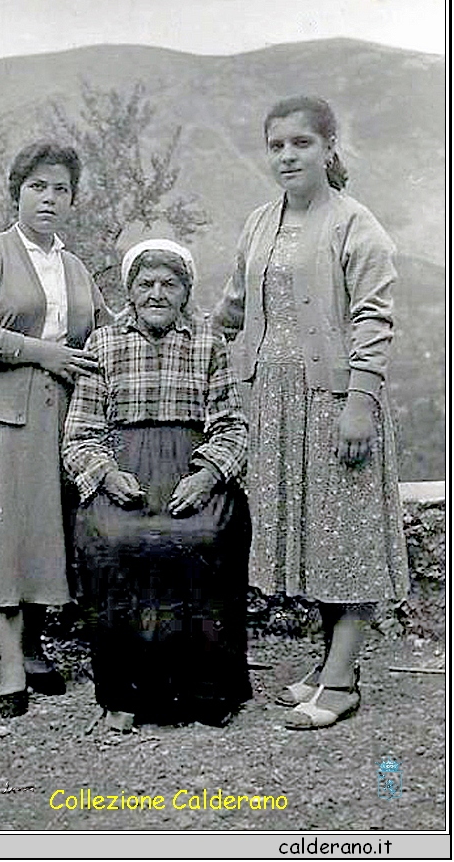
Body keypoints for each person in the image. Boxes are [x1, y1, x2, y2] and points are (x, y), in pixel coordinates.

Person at [212, 96, 409, 729]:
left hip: (335, 399)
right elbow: (234, 305)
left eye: (301, 143)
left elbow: (375, 321)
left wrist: (359, 403)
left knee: (348, 537)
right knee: (317, 540)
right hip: (273, 400)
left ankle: (343, 679)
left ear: (329, 148)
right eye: (276, 146)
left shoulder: (357, 225)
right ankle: (329, 665)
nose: (287, 156)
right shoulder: (259, 223)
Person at [0, 142, 110, 717]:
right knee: (7, 532)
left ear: (71, 200)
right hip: (3, 419)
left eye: (60, 188)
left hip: (65, 417)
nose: (49, 198)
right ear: (17, 192)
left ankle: (35, 646)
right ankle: (11, 663)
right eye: (38, 186)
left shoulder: (75, 267)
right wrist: (42, 353)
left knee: (49, 532)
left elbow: (108, 333)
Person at [62, 238, 252, 731]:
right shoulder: (103, 343)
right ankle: (124, 696)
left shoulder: (208, 341)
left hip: (192, 474)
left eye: (169, 284)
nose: (157, 293)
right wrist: (104, 473)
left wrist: (208, 474)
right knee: (115, 541)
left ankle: (206, 692)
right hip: (124, 475)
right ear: (129, 291)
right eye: (146, 284)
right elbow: (79, 433)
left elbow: (232, 425)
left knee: (207, 538)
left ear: (186, 292)